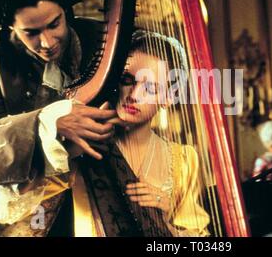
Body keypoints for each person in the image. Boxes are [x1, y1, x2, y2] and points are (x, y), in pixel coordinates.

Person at [0, 0, 117, 236]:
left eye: (54, 24)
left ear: (66, 11)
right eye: (31, 33)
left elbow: (157, 57)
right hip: (22, 200)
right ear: (10, 27)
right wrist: (51, 122)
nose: (46, 42)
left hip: (100, 191)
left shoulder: (103, 39)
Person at [68, 30, 210, 236]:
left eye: (151, 87)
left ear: (169, 97)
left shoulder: (185, 160)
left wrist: (166, 212)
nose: (134, 95)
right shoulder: (80, 144)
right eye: (127, 80)